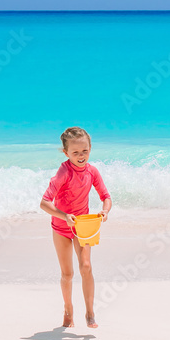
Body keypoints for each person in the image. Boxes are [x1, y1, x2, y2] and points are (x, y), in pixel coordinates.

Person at [39, 126, 112, 328]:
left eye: (85, 151)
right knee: (68, 274)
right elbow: (44, 203)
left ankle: (90, 313)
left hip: (83, 227)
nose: (81, 156)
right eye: (76, 152)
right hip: (61, 227)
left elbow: (106, 197)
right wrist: (64, 216)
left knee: (86, 266)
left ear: (90, 148)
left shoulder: (92, 171)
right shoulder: (64, 172)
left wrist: (105, 211)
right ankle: (68, 310)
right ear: (66, 153)